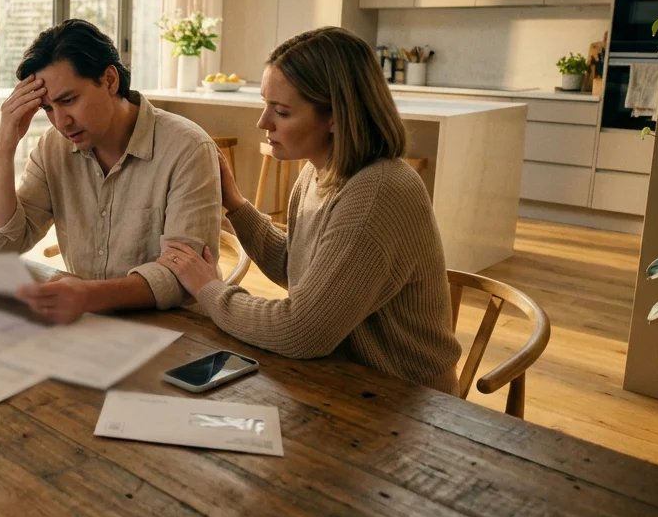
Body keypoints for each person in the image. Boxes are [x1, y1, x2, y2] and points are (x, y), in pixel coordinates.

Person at [157, 26, 461, 392]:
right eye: (265, 105)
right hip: (342, 380)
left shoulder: (378, 192)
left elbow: (301, 330)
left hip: (407, 400)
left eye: (281, 112)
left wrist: (209, 290)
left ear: (335, 116)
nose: (263, 123)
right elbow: (296, 265)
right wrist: (236, 205)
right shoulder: (318, 172)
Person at [0, 19, 223, 323]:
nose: (60, 122)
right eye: (48, 109)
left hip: (177, 330)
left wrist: (88, 295)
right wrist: (5, 145)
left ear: (109, 80)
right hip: (86, 323)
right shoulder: (52, 148)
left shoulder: (188, 148)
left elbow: (184, 276)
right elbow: (2, 246)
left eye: (68, 100)